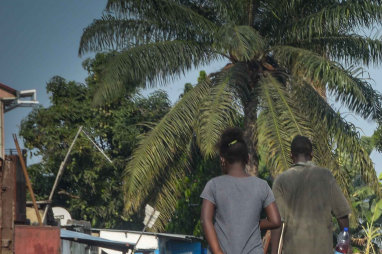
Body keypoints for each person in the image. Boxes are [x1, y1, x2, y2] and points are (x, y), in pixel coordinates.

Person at [200, 127, 281, 254]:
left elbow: (205, 219)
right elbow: (275, 220)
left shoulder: (213, 185)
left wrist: (217, 251)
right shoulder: (262, 185)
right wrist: (253, 224)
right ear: (247, 159)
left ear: (222, 159)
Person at [271, 135, 351, 254]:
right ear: (312, 155)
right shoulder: (326, 176)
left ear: (291, 154)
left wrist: (273, 252)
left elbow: (277, 222)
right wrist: (346, 243)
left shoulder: (281, 180)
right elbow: (342, 214)